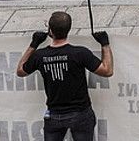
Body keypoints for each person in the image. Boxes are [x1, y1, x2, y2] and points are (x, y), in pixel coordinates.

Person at [15, 11, 114, 141]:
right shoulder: (80, 53)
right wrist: (105, 44)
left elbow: (20, 71)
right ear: (69, 29)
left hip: (55, 115)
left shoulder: (40, 56)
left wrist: (33, 44)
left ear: (50, 30)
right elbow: (107, 71)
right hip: (81, 114)